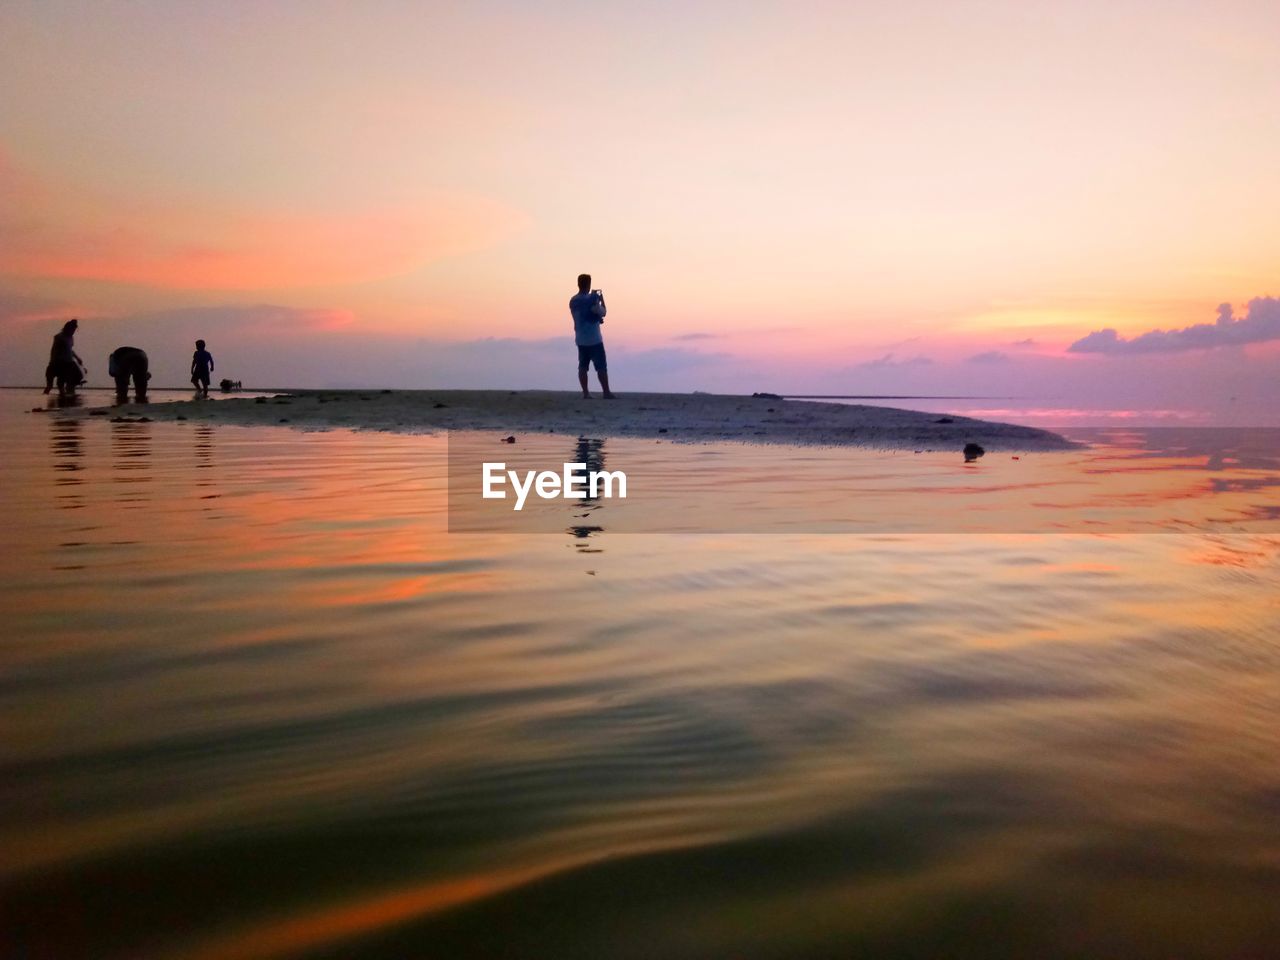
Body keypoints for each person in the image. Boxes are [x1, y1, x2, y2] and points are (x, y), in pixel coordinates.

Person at [569, 273, 614, 399]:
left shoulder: (573, 301)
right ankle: (606, 392)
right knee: (601, 366)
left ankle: (586, 393)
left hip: (580, 338)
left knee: (583, 366)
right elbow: (603, 312)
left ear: (578, 284)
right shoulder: (591, 299)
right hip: (594, 339)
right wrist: (600, 299)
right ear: (589, 284)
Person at [45, 319, 86, 395]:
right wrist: (53, 361)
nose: (73, 332)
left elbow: (70, 350)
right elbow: (54, 350)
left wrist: (77, 358)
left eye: (74, 330)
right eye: (72, 330)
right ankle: (45, 399)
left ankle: (67, 396)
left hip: (67, 363)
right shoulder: (59, 337)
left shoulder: (71, 338)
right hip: (58, 363)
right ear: (67, 329)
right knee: (50, 386)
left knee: (64, 383)